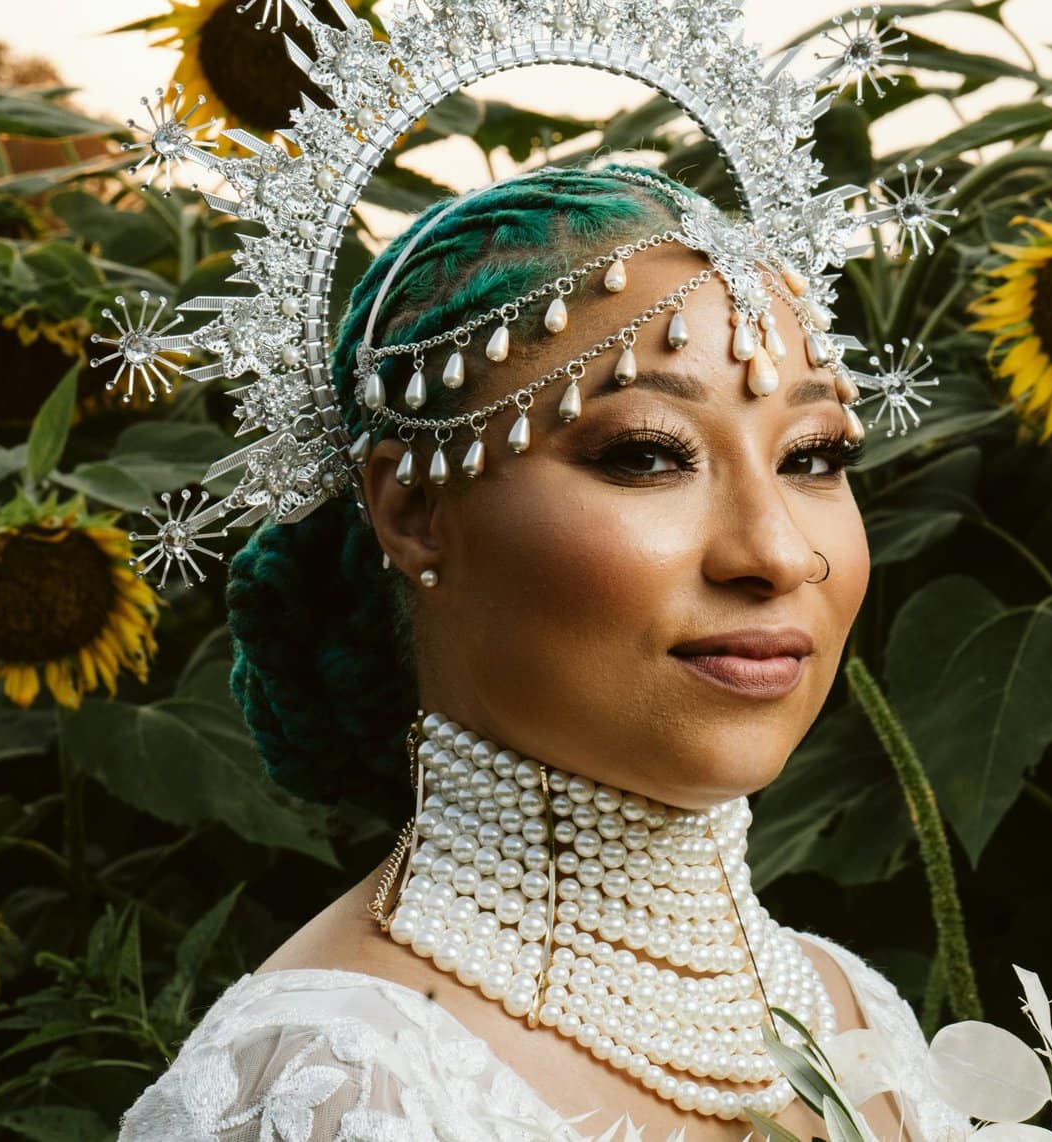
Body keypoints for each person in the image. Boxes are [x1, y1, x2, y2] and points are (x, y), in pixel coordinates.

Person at [117, 165, 972, 1140]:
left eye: (813, 456)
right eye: (647, 453)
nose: (777, 551)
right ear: (414, 510)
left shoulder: (856, 1011)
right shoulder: (333, 1082)